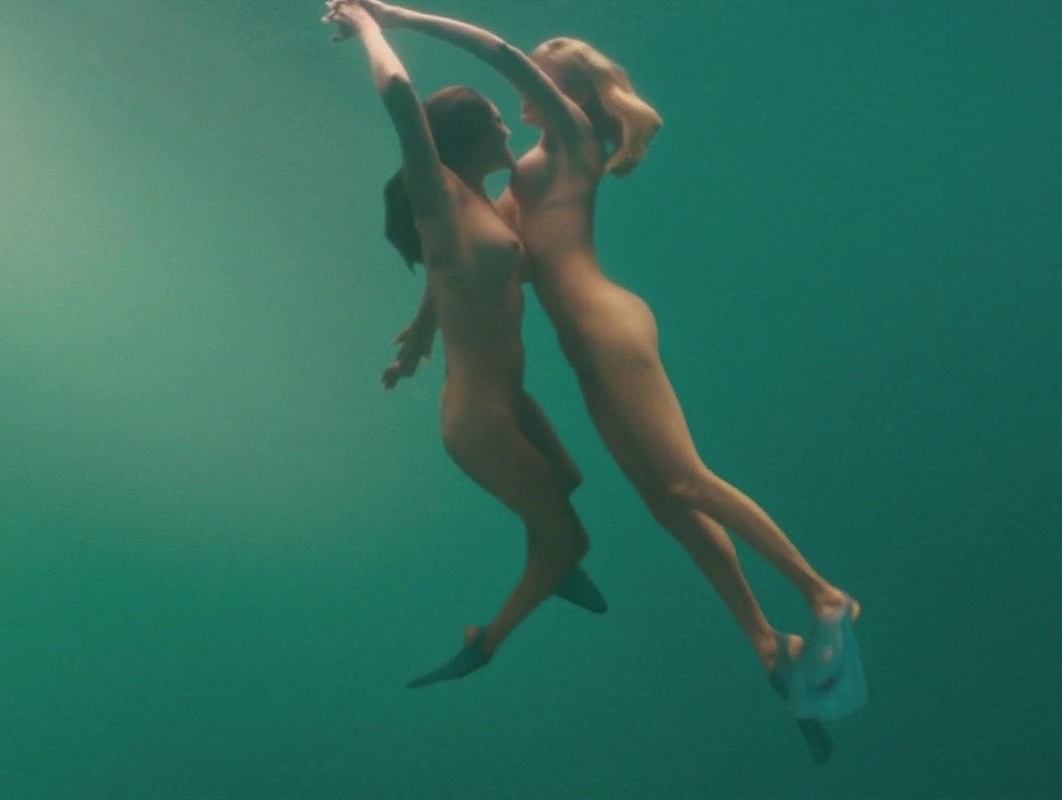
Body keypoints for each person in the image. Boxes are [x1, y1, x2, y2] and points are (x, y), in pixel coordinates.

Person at [352, 0, 869, 734]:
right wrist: (419, 333)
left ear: (567, 91)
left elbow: (496, 50)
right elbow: (460, 260)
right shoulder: (514, 184)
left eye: (539, 74)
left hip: (610, 328)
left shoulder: (571, 139)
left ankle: (822, 595)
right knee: (667, 503)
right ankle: (764, 641)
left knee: (687, 480)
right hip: (585, 348)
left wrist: (392, 17)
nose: (516, 96)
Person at [324, 0, 608, 690]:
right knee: (571, 539)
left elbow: (449, 274)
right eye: (495, 120)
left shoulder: (482, 204)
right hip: (479, 422)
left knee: (567, 483)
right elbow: (400, 96)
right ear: (469, 138)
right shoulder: (440, 193)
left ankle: (548, 564)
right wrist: (368, 24)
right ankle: (485, 641)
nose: (508, 126)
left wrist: (417, 339)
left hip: (509, 398)